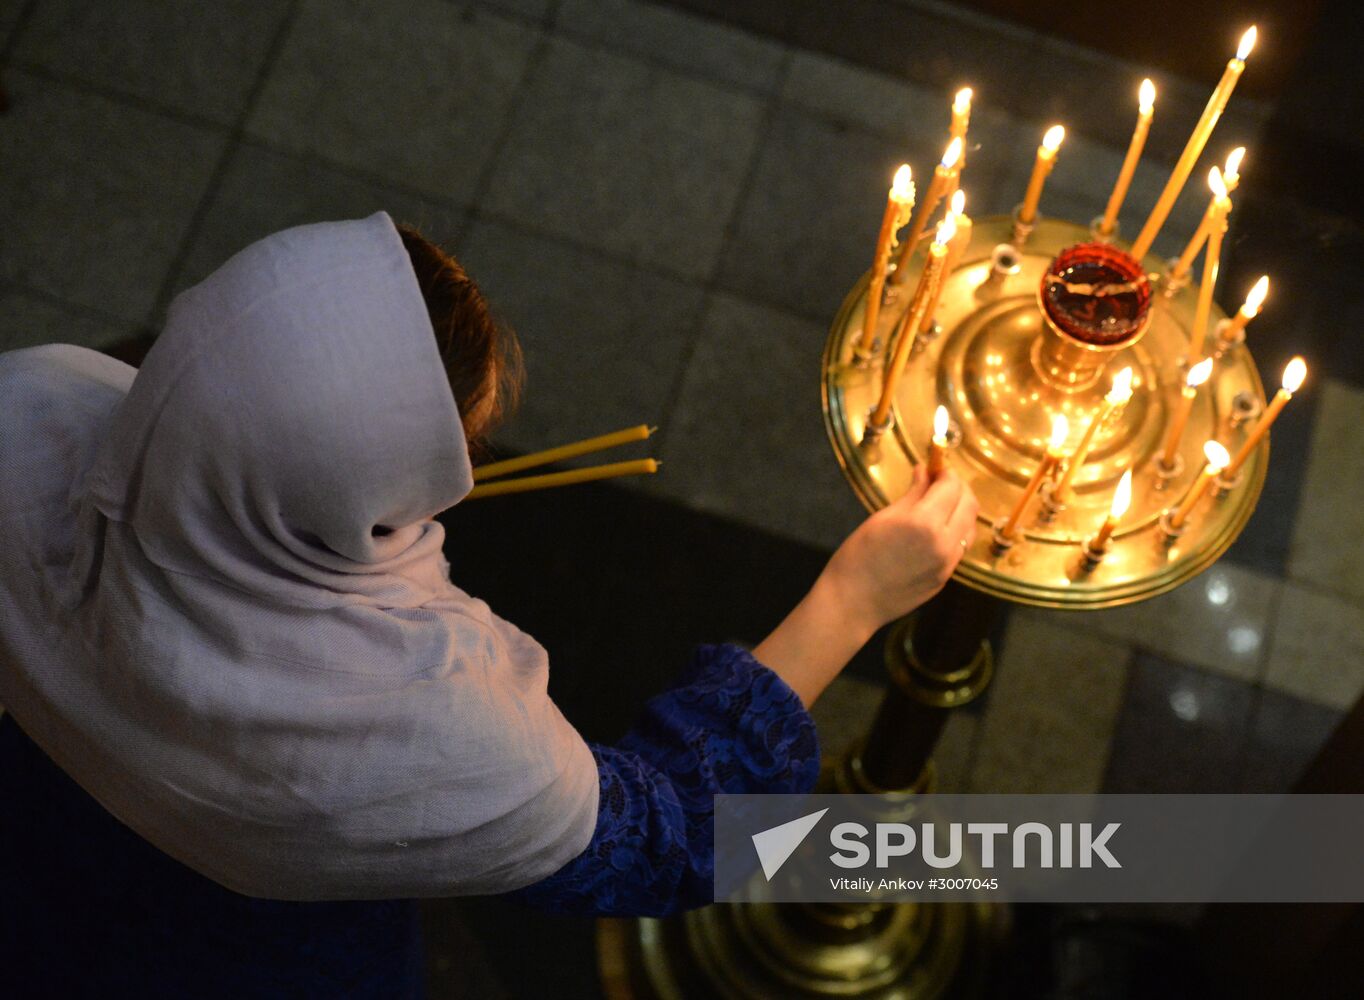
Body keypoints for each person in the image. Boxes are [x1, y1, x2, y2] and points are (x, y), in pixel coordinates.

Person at [0, 212, 978, 996]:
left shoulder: (34, 402)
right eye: (443, 464)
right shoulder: (414, 724)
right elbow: (668, 835)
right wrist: (853, 596)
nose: (461, 480)